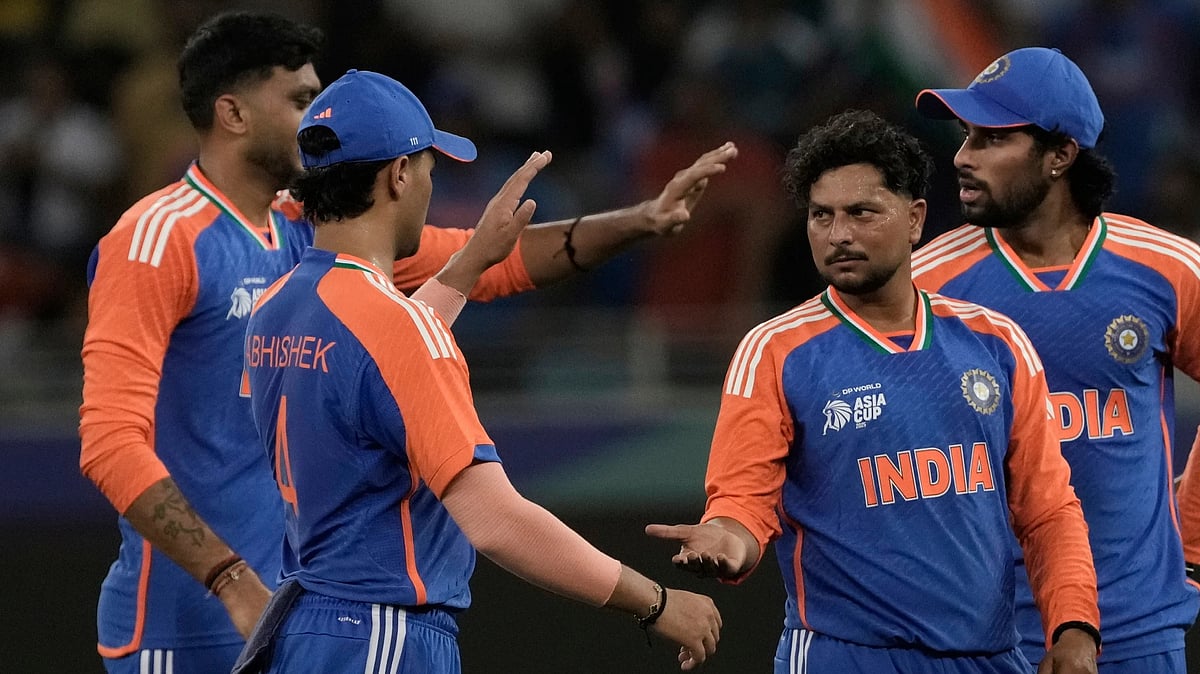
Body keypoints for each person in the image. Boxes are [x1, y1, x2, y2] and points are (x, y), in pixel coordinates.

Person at [78, 11, 737, 673]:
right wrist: (229, 579)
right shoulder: (158, 240)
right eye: (302, 100)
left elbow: (477, 271)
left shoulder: (291, 273)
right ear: (232, 112)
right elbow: (110, 441)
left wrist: (640, 220)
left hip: (294, 615)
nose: (314, 122)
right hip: (208, 622)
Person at [237, 68, 721, 673]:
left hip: (305, 630)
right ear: (399, 173)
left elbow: (369, 366)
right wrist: (656, 602)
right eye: (430, 168)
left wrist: (466, 267)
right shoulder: (394, 328)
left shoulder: (273, 307)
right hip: (383, 636)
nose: (430, 185)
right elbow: (495, 520)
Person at [646, 109, 1100, 674]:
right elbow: (742, 500)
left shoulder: (997, 342)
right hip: (844, 657)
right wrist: (726, 540)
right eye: (821, 215)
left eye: (861, 212)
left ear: (914, 220)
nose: (838, 234)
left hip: (990, 657)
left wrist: (1074, 627)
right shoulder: (775, 351)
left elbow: (1049, 509)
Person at [911, 46, 1200, 673]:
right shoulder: (924, 286)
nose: (962, 157)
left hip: (1136, 631)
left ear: (1060, 155)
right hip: (978, 638)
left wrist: (1193, 536)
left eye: (992, 139)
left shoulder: (1165, 268)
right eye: (966, 136)